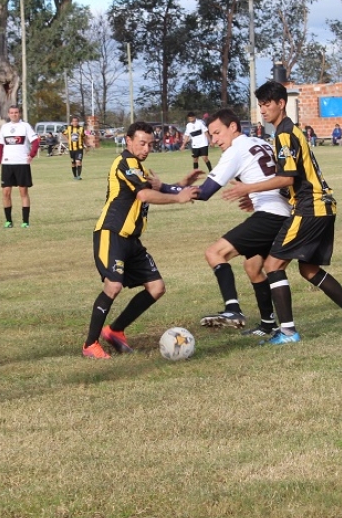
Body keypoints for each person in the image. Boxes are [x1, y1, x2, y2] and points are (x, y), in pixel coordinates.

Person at [222, 82, 342, 344]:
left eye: (267, 104)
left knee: (272, 265)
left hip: (310, 208)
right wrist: (256, 196)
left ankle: (288, 332)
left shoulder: (284, 134)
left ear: (281, 103)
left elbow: (287, 179)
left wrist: (248, 187)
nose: (263, 110)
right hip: (323, 206)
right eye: (260, 105)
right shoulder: (288, 131)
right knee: (308, 269)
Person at [83, 121, 201, 358]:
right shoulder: (124, 163)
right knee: (113, 285)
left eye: (150, 144)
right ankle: (90, 345)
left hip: (132, 241)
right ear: (128, 141)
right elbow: (144, 194)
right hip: (112, 234)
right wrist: (179, 199)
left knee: (156, 288)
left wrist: (181, 186)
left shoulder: (140, 168)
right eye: (142, 143)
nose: (147, 149)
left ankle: (115, 331)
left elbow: (157, 189)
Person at [196, 108, 289, 337]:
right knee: (253, 267)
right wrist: (253, 195)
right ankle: (268, 325)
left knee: (215, 253)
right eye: (211, 136)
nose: (214, 140)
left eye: (217, 133)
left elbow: (205, 191)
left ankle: (232, 309)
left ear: (233, 127)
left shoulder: (235, 150)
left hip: (271, 215)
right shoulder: (259, 141)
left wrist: (169, 190)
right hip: (284, 212)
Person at [0, 104, 39, 228]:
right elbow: (0, 147)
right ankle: (8, 221)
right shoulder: (5, 128)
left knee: (23, 192)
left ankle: (25, 221)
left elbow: (35, 141)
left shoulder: (25, 126)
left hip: (22, 164)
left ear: (20, 113)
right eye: (12, 112)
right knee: (6, 193)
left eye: (16, 112)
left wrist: (31, 154)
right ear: (8, 114)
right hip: (7, 164)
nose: (14, 114)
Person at [65, 115, 85, 179]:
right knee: (73, 163)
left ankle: (78, 176)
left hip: (79, 148)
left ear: (78, 122)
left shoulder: (81, 128)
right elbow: (63, 133)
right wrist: (67, 140)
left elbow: (84, 136)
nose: (75, 123)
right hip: (71, 149)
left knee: (78, 162)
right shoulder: (69, 128)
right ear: (71, 122)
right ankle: (75, 176)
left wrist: (86, 145)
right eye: (73, 121)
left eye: (76, 121)